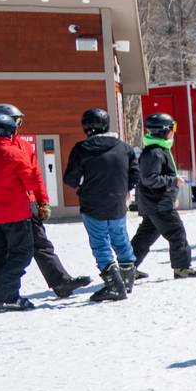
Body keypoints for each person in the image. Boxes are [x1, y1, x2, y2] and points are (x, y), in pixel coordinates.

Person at [0, 104, 91, 299]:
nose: (19, 125)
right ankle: (5, 294)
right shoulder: (6, 146)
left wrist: (43, 201)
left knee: (40, 245)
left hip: (26, 204)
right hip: (12, 208)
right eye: (16, 121)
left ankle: (60, 282)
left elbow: (36, 175)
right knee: (13, 251)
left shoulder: (23, 144)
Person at [64, 109, 137, 302]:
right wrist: (124, 189)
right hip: (117, 203)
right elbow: (135, 175)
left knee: (100, 244)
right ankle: (127, 280)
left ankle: (114, 286)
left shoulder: (81, 149)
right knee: (120, 238)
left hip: (92, 203)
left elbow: (70, 178)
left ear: (86, 127)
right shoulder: (124, 148)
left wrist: (82, 185)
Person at [129, 113, 196, 280]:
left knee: (145, 237)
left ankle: (128, 267)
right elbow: (149, 179)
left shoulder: (159, 149)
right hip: (158, 203)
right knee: (177, 233)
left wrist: (172, 191)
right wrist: (173, 181)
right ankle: (182, 268)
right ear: (164, 131)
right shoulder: (154, 152)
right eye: (173, 128)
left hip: (156, 202)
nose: (174, 132)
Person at [0, 110, 47, 311]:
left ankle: (3, 294)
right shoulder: (14, 153)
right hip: (15, 214)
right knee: (22, 253)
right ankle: (5, 296)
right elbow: (31, 181)